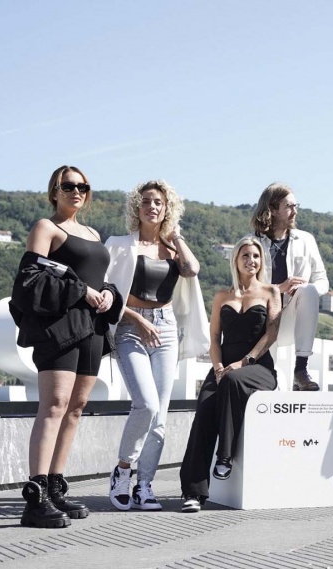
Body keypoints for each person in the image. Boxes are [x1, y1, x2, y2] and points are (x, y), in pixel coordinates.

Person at [10, 166, 122, 528]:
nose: (77, 191)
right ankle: (36, 497)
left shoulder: (93, 233)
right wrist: (80, 291)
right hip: (58, 327)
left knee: (76, 408)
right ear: (54, 191)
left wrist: (108, 293)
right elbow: (28, 280)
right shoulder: (46, 228)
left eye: (83, 186)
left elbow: (100, 278)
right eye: (69, 185)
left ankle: (56, 489)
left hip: (92, 328)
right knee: (54, 405)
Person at [104, 180, 210, 511]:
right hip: (129, 326)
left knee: (160, 415)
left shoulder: (173, 249)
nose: (152, 206)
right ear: (136, 207)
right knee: (146, 404)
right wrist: (137, 319)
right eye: (146, 201)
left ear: (167, 209)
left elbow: (192, 270)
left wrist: (176, 237)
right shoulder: (119, 245)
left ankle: (144, 485)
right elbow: (107, 293)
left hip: (166, 327)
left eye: (159, 203)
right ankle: (123, 471)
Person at [178, 236, 281, 512]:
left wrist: (244, 362)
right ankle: (193, 493)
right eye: (245, 255)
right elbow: (214, 337)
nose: (251, 261)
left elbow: (271, 334)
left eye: (256, 256)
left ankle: (224, 457)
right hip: (223, 367)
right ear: (235, 259)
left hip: (258, 367)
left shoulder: (271, 292)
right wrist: (217, 368)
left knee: (234, 379)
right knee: (204, 410)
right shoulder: (222, 296)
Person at [251, 183, 329, 391]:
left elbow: (322, 280)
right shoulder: (250, 244)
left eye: (296, 206)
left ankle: (301, 369)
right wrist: (279, 288)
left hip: (292, 320)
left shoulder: (306, 240)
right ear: (272, 209)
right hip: (260, 322)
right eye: (289, 206)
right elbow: (241, 290)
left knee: (308, 290)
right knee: (266, 384)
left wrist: (304, 290)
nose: (295, 211)